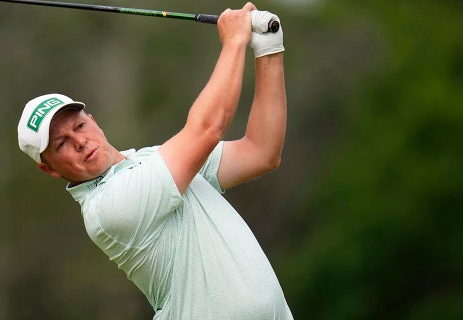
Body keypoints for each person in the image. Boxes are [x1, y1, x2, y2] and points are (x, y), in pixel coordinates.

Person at [17, 2, 292, 319]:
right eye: (61, 143)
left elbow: (261, 152)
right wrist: (234, 43)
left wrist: (269, 47)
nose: (80, 142)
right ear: (49, 168)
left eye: (79, 126)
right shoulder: (107, 208)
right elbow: (207, 129)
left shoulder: (154, 160)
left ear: (93, 120)